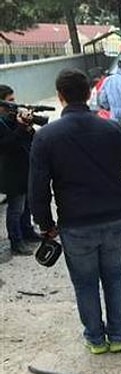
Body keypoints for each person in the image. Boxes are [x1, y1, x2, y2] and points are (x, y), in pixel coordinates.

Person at [29, 68, 121, 354]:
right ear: (89, 95)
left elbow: (38, 188)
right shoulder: (112, 129)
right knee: (113, 275)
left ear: (60, 97)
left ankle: (96, 340)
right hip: (116, 217)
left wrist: (46, 225)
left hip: (75, 222)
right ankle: (118, 336)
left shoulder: (46, 137)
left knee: (85, 282)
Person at [0, 85, 41, 256]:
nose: (13, 104)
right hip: (10, 172)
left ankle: (28, 231)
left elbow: (30, 138)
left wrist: (28, 126)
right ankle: (16, 241)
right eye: (10, 101)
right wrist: (20, 127)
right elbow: (8, 145)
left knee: (27, 205)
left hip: (24, 167)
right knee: (16, 208)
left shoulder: (11, 119)